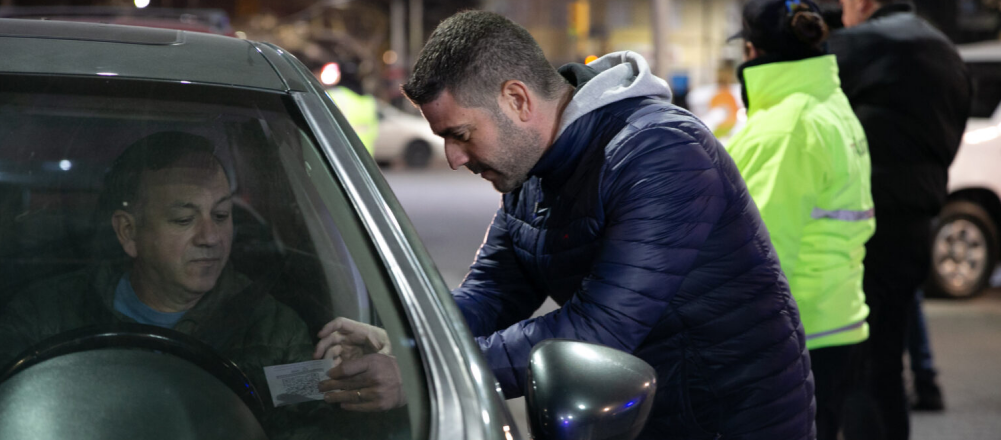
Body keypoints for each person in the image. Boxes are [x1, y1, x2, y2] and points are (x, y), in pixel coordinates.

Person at [398, 10, 815, 439]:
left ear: (517, 100)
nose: (453, 158)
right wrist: (399, 338)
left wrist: (425, 370)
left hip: (730, 420)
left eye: (461, 134)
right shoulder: (531, 171)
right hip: (640, 413)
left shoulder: (660, 152)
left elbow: (598, 332)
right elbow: (493, 292)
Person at [0, 132, 404, 431]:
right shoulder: (46, 316)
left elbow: (316, 428)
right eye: (184, 219)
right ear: (128, 232)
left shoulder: (275, 333)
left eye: (222, 215)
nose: (211, 237)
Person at [722, 1, 873, 439]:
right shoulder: (831, 106)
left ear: (753, 51)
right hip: (835, 317)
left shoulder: (784, 128)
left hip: (791, 332)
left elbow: (759, 251)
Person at [827, 1, 972, 438]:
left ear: (864, 3)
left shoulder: (854, 46)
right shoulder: (946, 51)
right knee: (887, 362)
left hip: (860, 225)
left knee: (859, 367)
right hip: (918, 222)